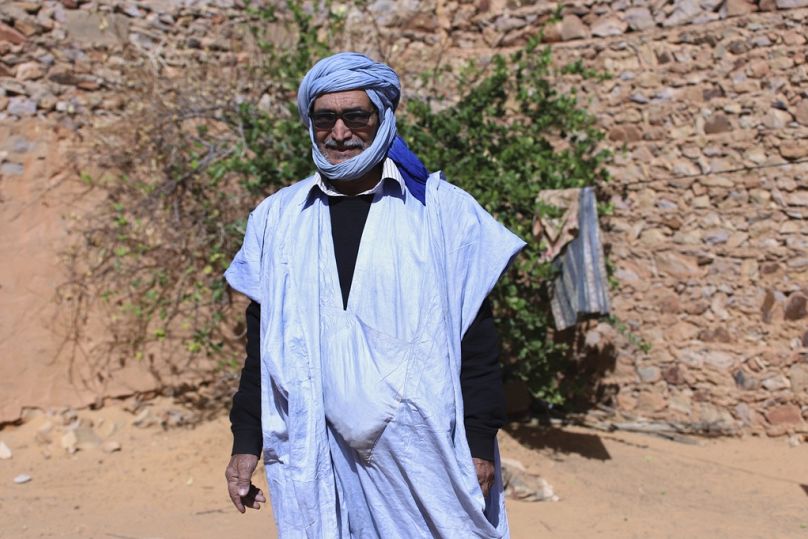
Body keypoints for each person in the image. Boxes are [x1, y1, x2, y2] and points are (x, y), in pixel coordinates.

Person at [223, 52, 525, 538]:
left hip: (425, 455)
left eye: (355, 116)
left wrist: (478, 440)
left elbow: (477, 340)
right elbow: (262, 347)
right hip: (318, 450)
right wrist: (246, 441)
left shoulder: (441, 213)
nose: (340, 133)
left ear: (382, 119)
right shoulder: (277, 220)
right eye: (325, 119)